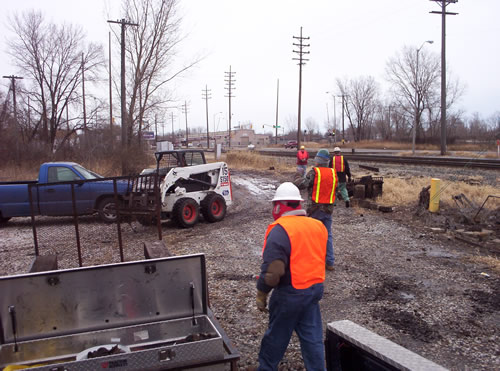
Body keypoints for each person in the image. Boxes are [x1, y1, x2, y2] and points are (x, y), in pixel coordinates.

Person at [256, 182, 328, 371]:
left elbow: (274, 272)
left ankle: (266, 368)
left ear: (279, 206)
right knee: (312, 339)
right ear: (298, 204)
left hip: (291, 294)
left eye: (274, 206)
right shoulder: (318, 225)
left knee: (276, 338)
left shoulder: (280, 230)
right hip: (314, 291)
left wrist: (262, 294)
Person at [294, 148, 337, 271]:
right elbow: (336, 190)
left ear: (318, 160)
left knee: (311, 235)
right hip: (328, 210)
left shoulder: (314, 172)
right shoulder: (333, 173)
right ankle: (329, 262)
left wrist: (296, 178)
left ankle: (311, 261)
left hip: (315, 209)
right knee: (327, 235)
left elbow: (303, 185)